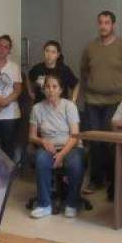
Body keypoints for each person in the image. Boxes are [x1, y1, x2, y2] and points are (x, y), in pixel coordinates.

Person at [80, 10, 122, 196]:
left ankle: (114, 181)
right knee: (95, 142)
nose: (103, 26)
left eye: (107, 22)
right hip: (92, 101)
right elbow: (84, 71)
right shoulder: (90, 47)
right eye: (100, 22)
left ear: (113, 25)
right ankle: (96, 180)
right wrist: (92, 85)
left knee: (111, 143)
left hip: (115, 101)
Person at [28, 73, 85, 219]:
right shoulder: (37, 108)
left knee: (75, 163)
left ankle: (71, 204)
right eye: (47, 87)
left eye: (54, 87)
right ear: (43, 90)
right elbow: (32, 136)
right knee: (41, 160)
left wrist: (61, 155)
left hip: (71, 146)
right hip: (49, 147)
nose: (51, 90)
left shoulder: (69, 106)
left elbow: (75, 135)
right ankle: (44, 205)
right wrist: (43, 141)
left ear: (60, 89)